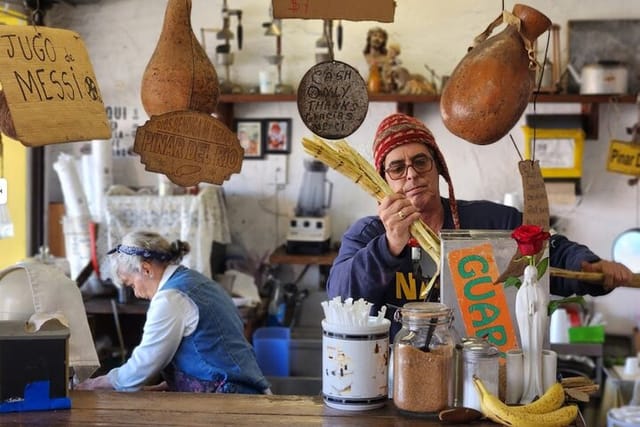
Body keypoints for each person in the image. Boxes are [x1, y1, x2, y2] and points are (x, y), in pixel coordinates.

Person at [326, 113, 634, 339]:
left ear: (438, 169)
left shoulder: (492, 222)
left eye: (421, 162)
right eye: (397, 167)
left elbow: (545, 251)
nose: (411, 174)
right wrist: (389, 246)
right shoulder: (368, 235)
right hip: (397, 379)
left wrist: (591, 268)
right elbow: (341, 297)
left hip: (480, 369)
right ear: (384, 181)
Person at [77, 231, 270, 394]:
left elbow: (141, 368)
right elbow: (209, 346)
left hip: (230, 396)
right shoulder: (197, 281)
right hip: (246, 388)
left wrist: (94, 383)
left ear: (145, 269)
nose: (135, 293)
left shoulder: (170, 298)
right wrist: (173, 384)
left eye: (131, 284)